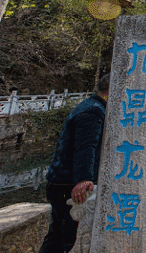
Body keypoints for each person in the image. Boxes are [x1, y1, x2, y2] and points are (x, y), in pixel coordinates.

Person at [39, 74, 111, 253]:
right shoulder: (93, 110)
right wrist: (83, 179)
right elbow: (86, 147)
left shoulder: (93, 106)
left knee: (58, 235)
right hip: (68, 185)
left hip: (62, 182)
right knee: (67, 238)